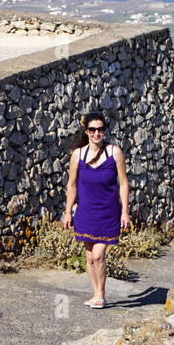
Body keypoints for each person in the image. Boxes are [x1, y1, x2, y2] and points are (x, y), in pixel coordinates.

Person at [60, 111, 131, 309]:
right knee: (90, 256)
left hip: (109, 213)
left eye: (100, 129)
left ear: (104, 131)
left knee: (99, 255)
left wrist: (125, 211)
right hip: (86, 212)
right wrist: (67, 212)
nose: (97, 133)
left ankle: (101, 293)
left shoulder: (114, 152)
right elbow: (71, 185)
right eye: (92, 130)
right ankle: (95, 292)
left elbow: (123, 184)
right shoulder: (78, 155)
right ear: (86, 131)